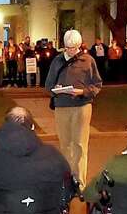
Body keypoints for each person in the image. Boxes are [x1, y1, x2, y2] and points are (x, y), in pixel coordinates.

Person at [44, 30, 103, 185]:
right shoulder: (57, 61)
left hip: (82, 106)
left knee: (80, 144)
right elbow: (48, 85)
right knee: (65, 144)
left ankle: (80, 182)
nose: (71, 51)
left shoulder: (88, 60)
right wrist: (55, 89)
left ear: (79, 46)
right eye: (68, 48)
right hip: (62, 106)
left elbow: (97, 85)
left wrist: (83, 92)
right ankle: (67, 180)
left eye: (74, 48)